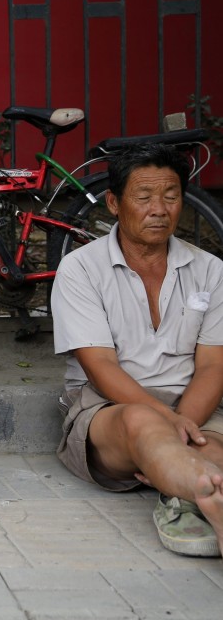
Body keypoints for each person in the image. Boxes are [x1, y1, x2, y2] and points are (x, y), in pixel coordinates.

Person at [51, 142, 223, 558]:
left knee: (211, 446)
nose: (159, 209)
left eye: (170, 197)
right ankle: (199, 488)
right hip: (110, 408)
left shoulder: (211, 270)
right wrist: (169, 420)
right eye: (144, 198)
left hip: (195, 407)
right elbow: (100, 366)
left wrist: (185, 421)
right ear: (113, 202)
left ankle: (193, 490)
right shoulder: (81, 268)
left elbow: (213, 366)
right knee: (143, 424)